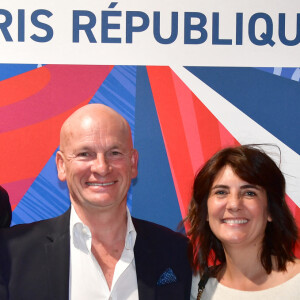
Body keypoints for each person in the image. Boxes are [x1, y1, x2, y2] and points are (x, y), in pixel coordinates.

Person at [0, 104, 192, 300]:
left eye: (114, 153)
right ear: (61, 166)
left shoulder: (175, 251)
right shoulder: (10, 254)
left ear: (133, 163)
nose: (102, 167)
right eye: (85, 154)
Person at [188, 145, 300, 300]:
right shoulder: (195, 287)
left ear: (270, 211)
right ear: (205, 212)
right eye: (221, 192)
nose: (234, 204)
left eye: (249, 193)